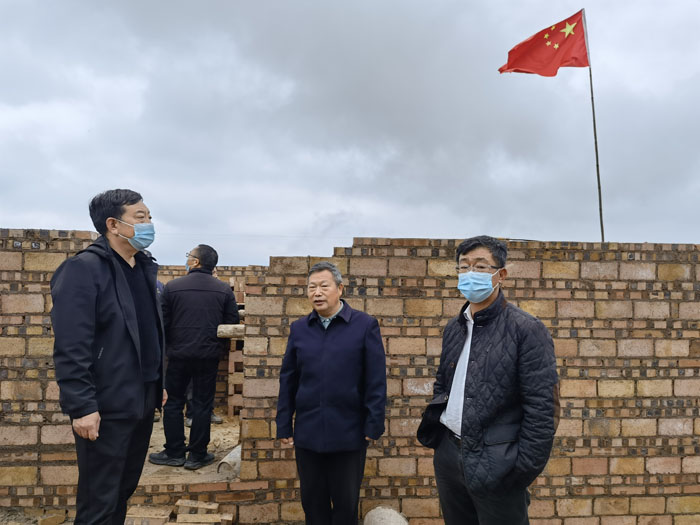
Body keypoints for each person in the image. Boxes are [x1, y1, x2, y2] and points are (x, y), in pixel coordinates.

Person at [417, 235, 559, 525]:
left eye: (481, 267)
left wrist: (520, 470)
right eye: (464, 266)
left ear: (500, 275)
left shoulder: (526, 329)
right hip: (449, 454)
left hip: (499, 462)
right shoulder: (454, 328)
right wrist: (441, 444)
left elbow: (543, 408)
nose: (470, 273)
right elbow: (443, 384)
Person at [51, 189, 165, 524]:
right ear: (113, 225)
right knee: (99, 500)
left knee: (122, 491)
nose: (149, 224)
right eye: (140, 217)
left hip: (142, 398)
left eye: (149, 217)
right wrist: (82, 406)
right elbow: (72, 345)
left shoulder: (143, 268)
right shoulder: (84, 270)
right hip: (106, 403)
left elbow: (148, 333)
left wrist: (159, 382)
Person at [276, 261, 387, 525]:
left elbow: (375, 380)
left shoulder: (364, 325)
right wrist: (284, 424)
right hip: (308, 432)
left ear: (340, 288)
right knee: (313, 503)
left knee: (345, 505)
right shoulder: (300, 328)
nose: (317, 292)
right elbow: (289, 379)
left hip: (349, 432)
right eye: (311, 287)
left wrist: (374, 423)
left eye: (324, 286)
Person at [149, 245, 239, 470]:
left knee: (173, 402)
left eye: (189, 256)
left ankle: (174, 452)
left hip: (178, 356)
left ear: (196, 262)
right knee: (202, 404)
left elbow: (162, 323)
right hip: (208, 356)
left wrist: (172, 346)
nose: (187, 259)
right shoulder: (223, 290)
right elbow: (231, 323)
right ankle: (197, 455)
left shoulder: (172, 287)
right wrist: (217, 347)